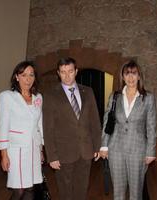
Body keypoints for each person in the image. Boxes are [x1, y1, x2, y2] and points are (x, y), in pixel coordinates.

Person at [43, 57, 101, 200]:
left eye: (70, 71)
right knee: (65, 192)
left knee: (82, 189)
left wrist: (98, 146)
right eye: (63, 72)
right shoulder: (50, 95)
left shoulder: (88, 91)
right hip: (63, 153)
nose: (67, 75)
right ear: (58, 73)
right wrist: (52, 156)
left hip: (86, 150)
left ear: (76, 71)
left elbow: (94, 121)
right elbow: (48, 128)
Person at [100, 60, 156, 200]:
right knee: (118, 191)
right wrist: (104, 146)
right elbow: (108, 121)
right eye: (127, 74)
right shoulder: (114, 97)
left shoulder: (148, 98)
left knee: (136, 192)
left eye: (134, 74)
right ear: (123, 76)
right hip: (116, 150)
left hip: (138, 151)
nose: (130, 78)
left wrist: (151, 151)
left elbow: (151, 126)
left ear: (139, 76)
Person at [0, 61, 44, 200]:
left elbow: (39, 125)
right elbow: (3, 125)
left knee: (30, 188)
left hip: (34, 149)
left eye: (31, 75)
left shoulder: (38, 98)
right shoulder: (6, 96)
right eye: (24, 75)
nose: (28, 79)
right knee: (19, 189)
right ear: (16, 77)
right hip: (16, 151)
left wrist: (41, 149)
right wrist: (3, 155)